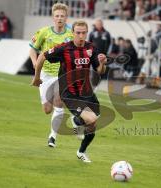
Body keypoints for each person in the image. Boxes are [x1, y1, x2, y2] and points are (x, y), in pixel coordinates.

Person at [31, 20, 107, 163]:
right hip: (69, 93)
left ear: (87, 33)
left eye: (84, 32)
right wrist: (36, 78)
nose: (81, 35)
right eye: (78, 32)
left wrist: (102, 63)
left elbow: (99, 71)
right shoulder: (64, 48)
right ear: (72, 33)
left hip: (87, 92)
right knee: (91, 119)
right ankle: (78, 121)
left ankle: (81, 150)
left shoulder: (91, 48)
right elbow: (42, 56)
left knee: (93, 123)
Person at [29, 3, 73, 147]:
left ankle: (52, 137)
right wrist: (35, 62)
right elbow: (32, 49)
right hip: (45, 74)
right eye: (57, 16)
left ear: (66, 18)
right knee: (47, 110)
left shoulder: (71, 35)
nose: (60, 18)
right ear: (53, 17)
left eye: (62, 16)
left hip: (62, 73)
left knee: (59, 102)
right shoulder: (43, 32)